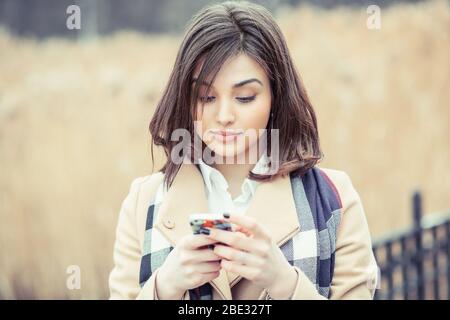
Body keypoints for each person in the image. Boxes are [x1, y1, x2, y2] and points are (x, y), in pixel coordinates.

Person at [108, 0, 378, 300]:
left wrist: (285, 284)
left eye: (245, 97)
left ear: (276, 95)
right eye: (206, 97)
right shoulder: (143, 202)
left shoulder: (333, 199)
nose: (224, 115)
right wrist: (165, 287)